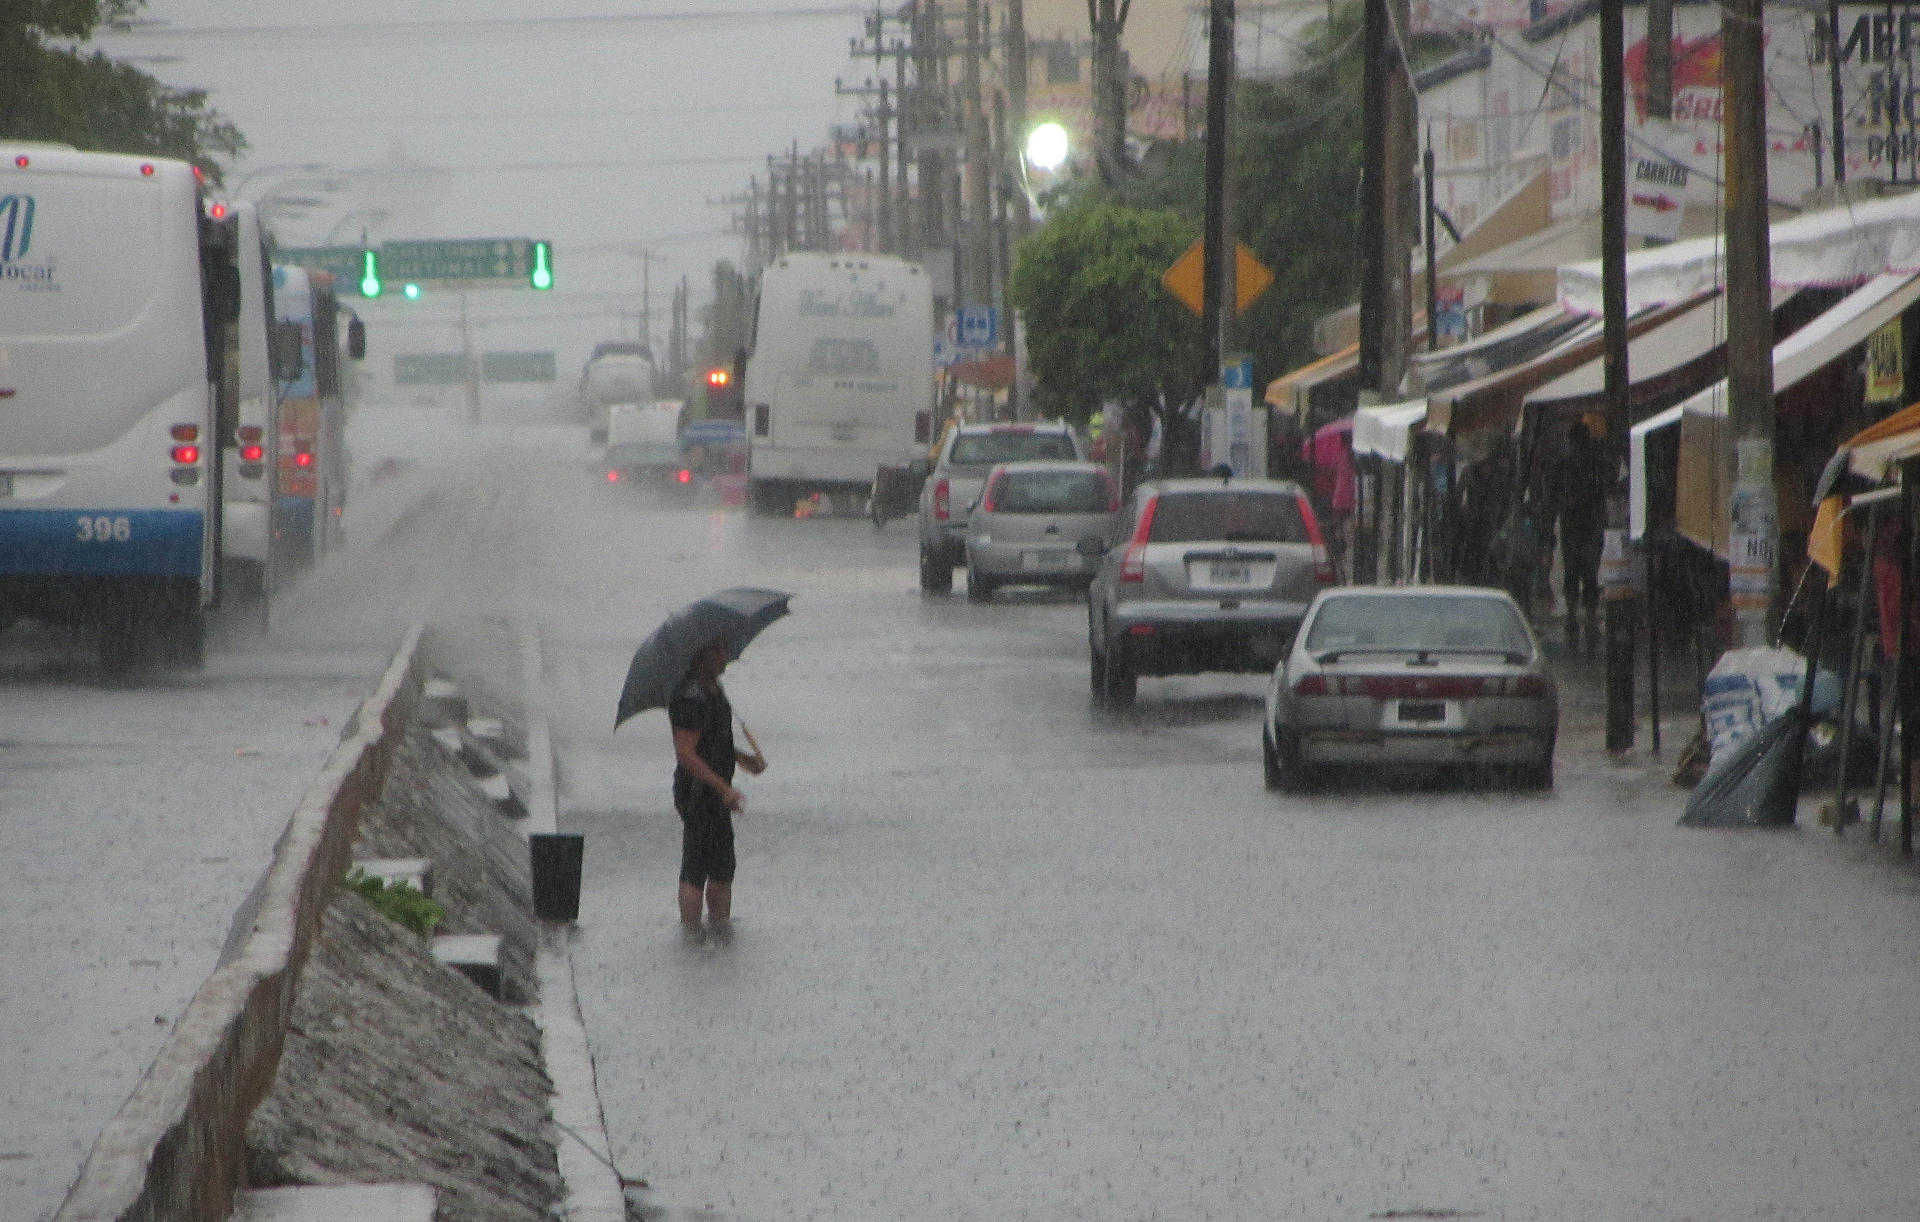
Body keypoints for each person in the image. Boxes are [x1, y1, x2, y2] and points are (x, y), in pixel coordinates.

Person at [668, 637, 766, 942]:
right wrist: (723, 788)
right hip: (698, 792)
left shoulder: (714, 691)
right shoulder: (690, 697)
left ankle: (720, 930)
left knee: (723, 866)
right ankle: (691, 935)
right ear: (701, 655)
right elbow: (685, 752)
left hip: (717, 791)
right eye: (719, 650)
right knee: (696, 866)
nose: (727, 656)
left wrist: (745, 759)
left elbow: (715, 742)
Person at [1553, 419, 1607, 652]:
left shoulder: (1568, 464)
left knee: (1577, 572)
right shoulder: (1592, 463)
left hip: (1576, 525)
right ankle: (1586, 615)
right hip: (1585, 526)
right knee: (1586, 572)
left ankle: (1577, 615)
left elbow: (1558, 496)